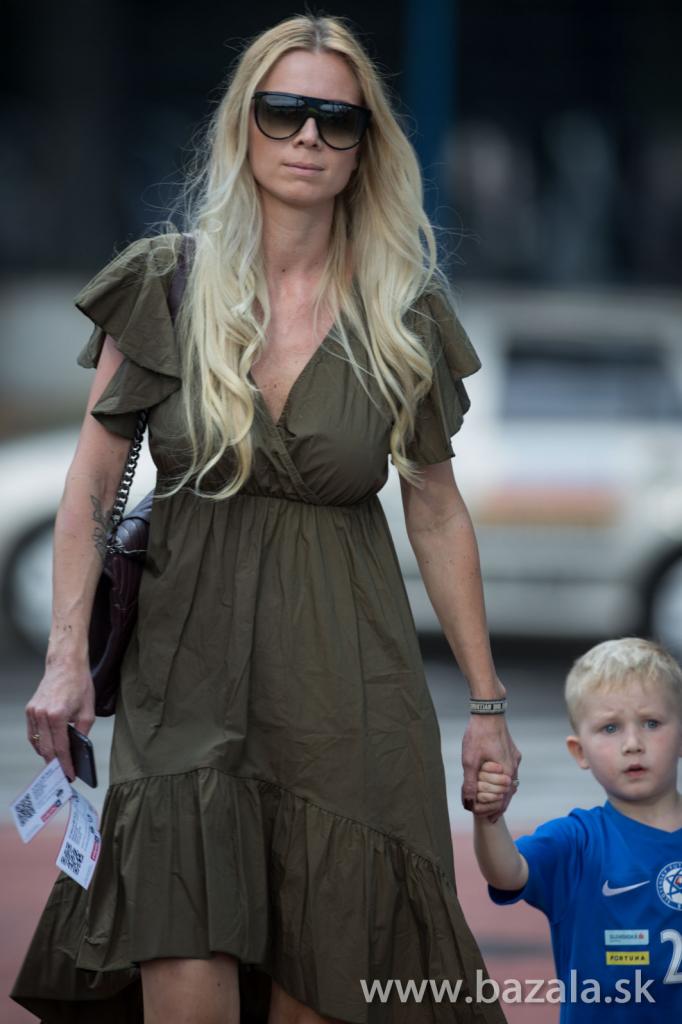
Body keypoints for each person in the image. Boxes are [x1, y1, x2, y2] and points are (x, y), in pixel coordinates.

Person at [11, 14, 520, 1024]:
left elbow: (435, 509)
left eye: (338, 120)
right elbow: (89, 486)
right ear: (242, 124)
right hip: (183, 687)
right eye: (283, 111)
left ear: (365, 148)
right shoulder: (163, 283)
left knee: (319, 992)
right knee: (181, 969)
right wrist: (66, 658)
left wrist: (489, 705)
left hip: (348, 697)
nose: (309, 137)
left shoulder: (402, 311)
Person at [473, 637, 682, 1022]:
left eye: (651, 723)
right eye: (610, 728)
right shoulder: (576, 841)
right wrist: (489, 815)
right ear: (579, 751)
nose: (633, 743)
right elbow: (507, 872)